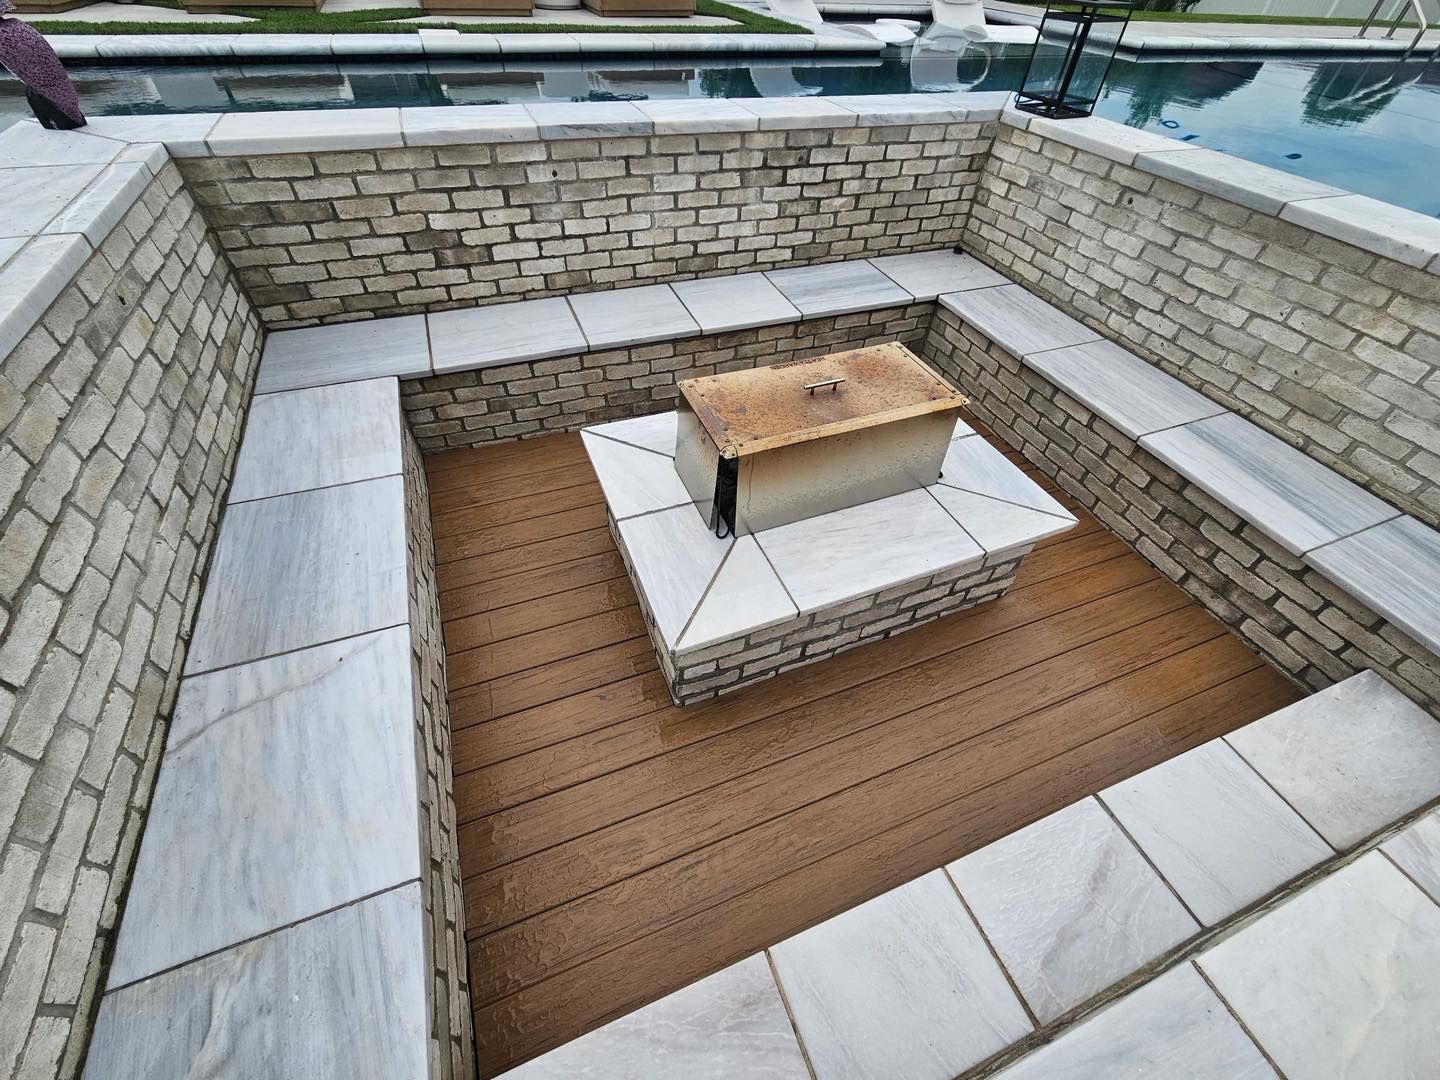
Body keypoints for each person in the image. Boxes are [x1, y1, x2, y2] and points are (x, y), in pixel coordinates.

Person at [0, 0, 85, 129]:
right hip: (54, 90)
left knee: (54, 109)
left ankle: (66, 119)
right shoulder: (16, 24)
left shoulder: (5, 33)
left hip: (48, 95)